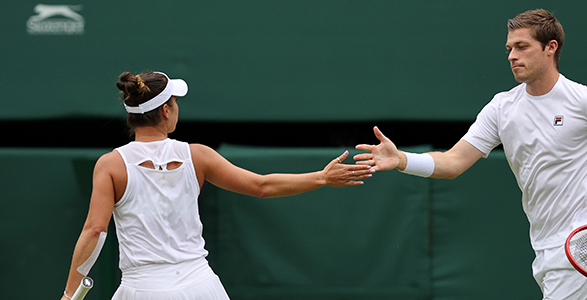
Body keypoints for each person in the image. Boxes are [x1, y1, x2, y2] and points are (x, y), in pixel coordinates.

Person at [354, 9, 587, 300]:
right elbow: (453, 162)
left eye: (522, 47)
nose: (512, 56)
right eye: (509, 48)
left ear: (550, 48)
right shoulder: (501, 108)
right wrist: (402, 160)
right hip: (546, 249)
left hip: (585, 246)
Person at [60, 71, 374, 300]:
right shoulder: (198, 155)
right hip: (200, 287)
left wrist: (69, 294)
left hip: (141, 290)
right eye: (175, 102)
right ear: (166, 110)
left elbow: (94, 232)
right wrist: (321, 177)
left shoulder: (110, 165)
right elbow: (261, 186)